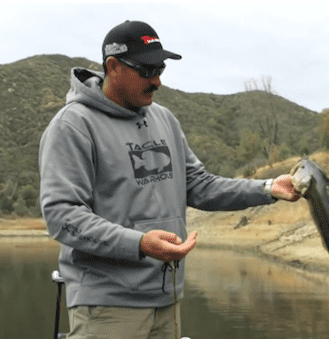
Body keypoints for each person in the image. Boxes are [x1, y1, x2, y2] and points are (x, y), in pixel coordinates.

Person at [39, 20, 300, 339]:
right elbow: (61, 215)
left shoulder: (164, 119)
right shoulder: (73, 126)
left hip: (167, 299)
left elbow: (200, 186)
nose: (157, 80)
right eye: (147, 70)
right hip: (107, 306)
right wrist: (139, 243)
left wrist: (266, 188)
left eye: (160, 69)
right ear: (114, 67)